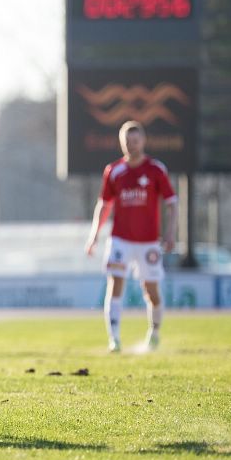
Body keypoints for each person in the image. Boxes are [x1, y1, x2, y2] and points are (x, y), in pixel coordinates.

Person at [85, 120, 178, 353]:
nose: (131, 145)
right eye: (127, 141)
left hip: (148, 242)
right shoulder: (114, 171)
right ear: (121, 143)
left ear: (143, 141)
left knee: (151, 290)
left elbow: (172, 203)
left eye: (135, 140)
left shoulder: (156, 169)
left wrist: (170, 232)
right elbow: (104, 205)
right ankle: (114, 338)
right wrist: (94, 235)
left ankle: (154, 332)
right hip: (120, 240)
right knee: (115, 283)